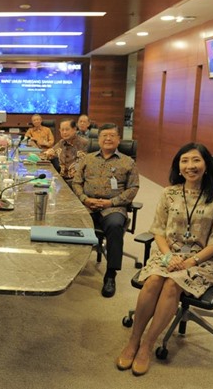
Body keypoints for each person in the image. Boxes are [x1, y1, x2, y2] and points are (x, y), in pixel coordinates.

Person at [116, 142, 213, 376]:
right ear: (178, 167)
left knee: (171, 285)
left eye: (196, 160)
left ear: (206, 165)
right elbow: (158, 231)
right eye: (184, 161)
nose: (190, 166)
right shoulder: (169, 193)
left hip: (203, 260)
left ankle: (147, 346)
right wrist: (168, 256)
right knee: (153, 281)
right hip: (168, 253)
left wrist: (191, 261)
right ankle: (134, 340)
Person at [72, 123, 139, 298]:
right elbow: (76, 182)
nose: (108, 139)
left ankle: (110, 275)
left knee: (115, 226)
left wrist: (111, 202)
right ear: (98, 139)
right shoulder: (87, 159)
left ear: (119, 139)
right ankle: (70, 266)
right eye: (104, 136)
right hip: (88, 206)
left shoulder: (128, 162)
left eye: (112, 135)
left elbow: (133, 188)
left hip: (113, 208)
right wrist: (85, 199)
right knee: (69, 222)